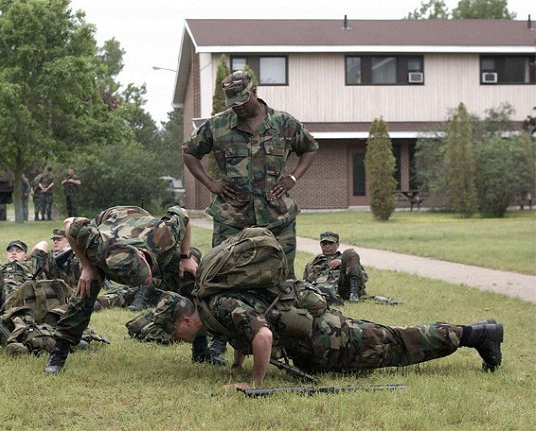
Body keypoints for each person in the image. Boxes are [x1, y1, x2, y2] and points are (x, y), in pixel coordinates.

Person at [151, 287, 504, 389]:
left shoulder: (220, 304)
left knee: (398, 344)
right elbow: (242, 335)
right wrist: (237, 365)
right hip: (315, 338)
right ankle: (477, 332)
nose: (177, 337)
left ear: (185, 320)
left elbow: (260, 335)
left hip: (329, 338)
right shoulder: (212, 307)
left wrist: (255, 384)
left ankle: (479, 334)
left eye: (174, 331)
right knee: (394, 341)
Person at [182, 70, 318, 279]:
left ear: (253, 91)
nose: (239, 108)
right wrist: (209, 183)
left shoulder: (284, 123)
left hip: (277, 216)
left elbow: (310, 148)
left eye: (243, 102)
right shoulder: (217, 125)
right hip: (232, 216)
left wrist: (292, 178)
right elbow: (189, 151)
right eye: (234, 104)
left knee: (283, 277)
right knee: (221, 273)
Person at [43, 205, 201, 374]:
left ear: (142, 256)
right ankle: (59, 352)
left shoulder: (163, 235)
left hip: (140, 225)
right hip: (108, 226)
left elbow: (183, 213)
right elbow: (69, 224)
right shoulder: (99, 246)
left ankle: (201, 347)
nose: (145, 282)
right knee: (85, 291)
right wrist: (87, 267)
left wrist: (185, 257)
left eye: (142, 277)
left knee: (189, 276)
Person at [303, 231, 368, 303]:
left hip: (344, 286)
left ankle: (353, 295)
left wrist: (342, 262)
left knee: (350, 252)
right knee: (320, 288)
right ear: (321, 245)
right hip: (326, 289)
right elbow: (306, 284)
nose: (327, 246)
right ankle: (334, 299)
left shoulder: (348, 258)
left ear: (337, 245)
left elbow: (363, 277)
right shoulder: (312, 264)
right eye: (325, 243)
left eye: (331, 243)